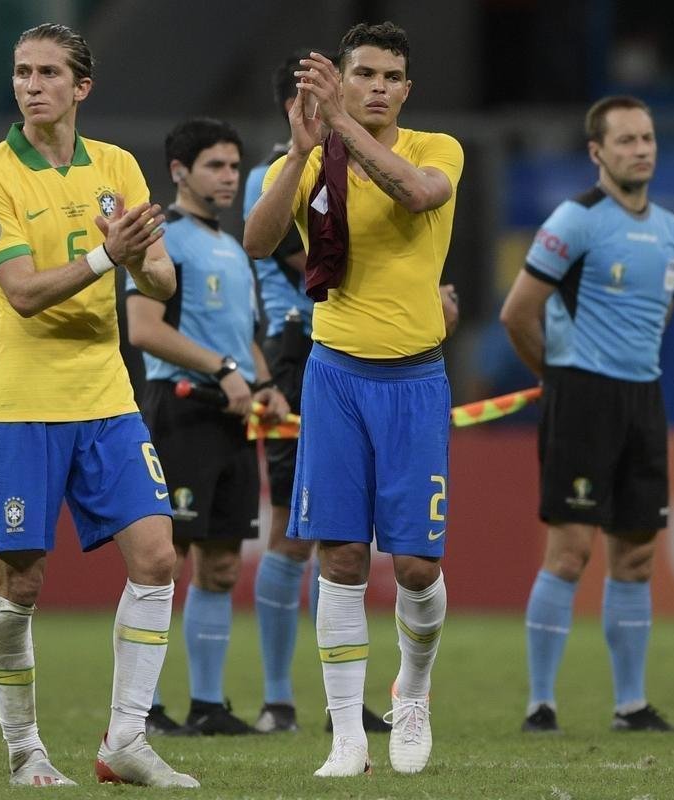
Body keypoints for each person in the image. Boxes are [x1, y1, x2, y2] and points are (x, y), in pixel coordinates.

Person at [0, 23, 198, 788]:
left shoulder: (118, 167)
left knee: (159, 557)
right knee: (20, 581)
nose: (30, 85)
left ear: (80, 87)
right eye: (21, 72)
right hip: (25, 404)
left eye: (47, 73)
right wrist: (105, 255)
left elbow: (159, 280)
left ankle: (125, 739)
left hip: (106, 399)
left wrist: (142, 261)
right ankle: (25, 749)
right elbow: (24, 294)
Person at [244, 21, 463, 777]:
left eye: (387, 76)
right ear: (340, 78)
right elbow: (257, 239)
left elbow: (415, 195)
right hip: (334, 375)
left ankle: (414, 690)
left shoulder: (437, 150)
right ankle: (345, 736)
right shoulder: (315, 155)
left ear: (407, 89)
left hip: (412, 380)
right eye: (361, 73)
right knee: (338, 556)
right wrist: (302, 151)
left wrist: (337, 124)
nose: (375, 87)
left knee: (413, 569)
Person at [499, 95, 674, 735]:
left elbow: (659, 314)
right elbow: (516, 311)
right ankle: (540, 704)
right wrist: (555, 379)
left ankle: (630, 705)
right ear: (597, 152)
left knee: (635, 556)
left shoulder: (672, 232)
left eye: (648, 138)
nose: (641, 149)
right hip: (581, 396)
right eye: (627, 140)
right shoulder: (575, 221)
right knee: (570, 552)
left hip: (644, 398)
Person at [126, 117, 289, 736]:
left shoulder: (232, 246)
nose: (228, 177)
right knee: (167, 560)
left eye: (233, 166)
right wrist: (225, 371)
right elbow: (144, 329)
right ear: (179, 172)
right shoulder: (162, 237)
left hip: (231, 413)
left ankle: (208, 705)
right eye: (215, 166)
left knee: (220, 565)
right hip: (182, 407)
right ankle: (143, 706)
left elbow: (242, 339)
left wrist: (264, 385)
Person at [245, 53, 392, 738]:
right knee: (294, 533)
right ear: (294, 104)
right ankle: (278, 697)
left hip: (357, 345)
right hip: (298, 345)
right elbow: (307, 257)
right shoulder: (272, 176)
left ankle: (344, 694)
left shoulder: (359, 162)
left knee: (348, 535)